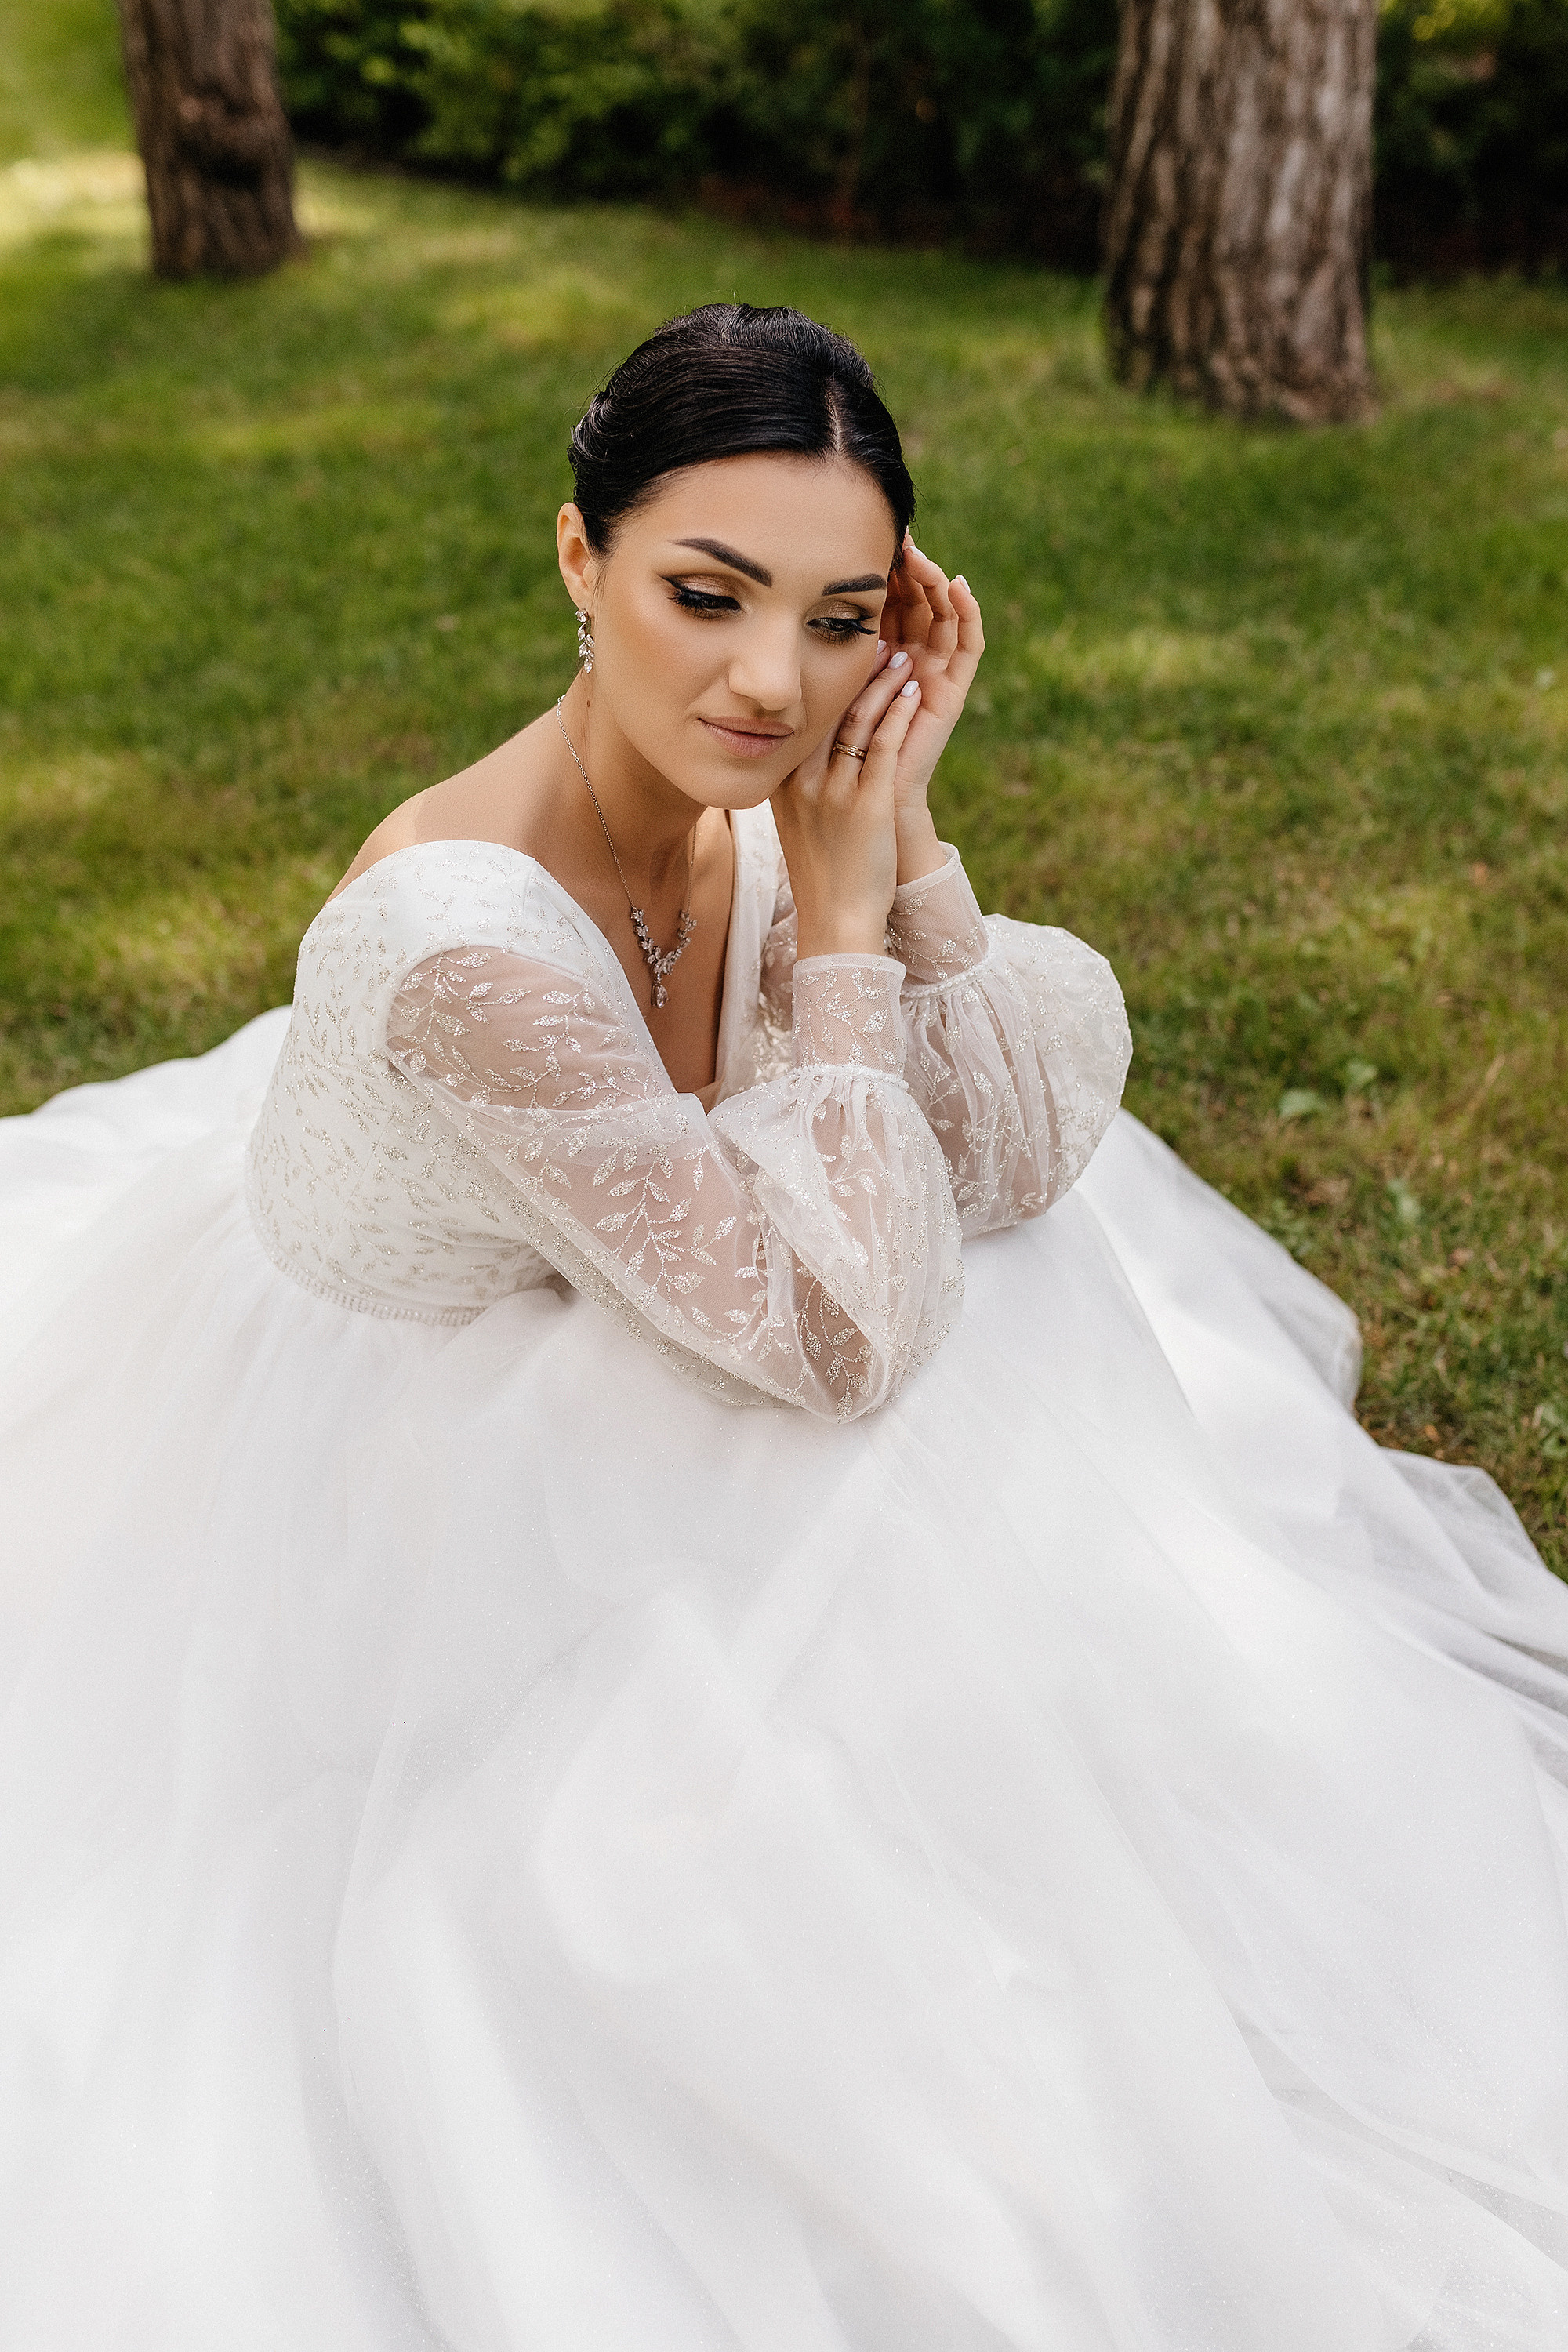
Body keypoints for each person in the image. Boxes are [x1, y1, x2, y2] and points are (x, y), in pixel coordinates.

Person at [1, 303, 1566, 2351]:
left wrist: (899, 838)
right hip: (412, 1447)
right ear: (579, 561)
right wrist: (831, 931)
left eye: (843, 621)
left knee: (1031, 1297)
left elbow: (1010, 1161)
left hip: (685, 1293)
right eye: (706, 595)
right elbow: (837, 1343)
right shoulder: (453, 940)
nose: (771, 682)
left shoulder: (781, 790)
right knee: (872, 1429)